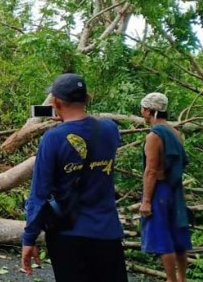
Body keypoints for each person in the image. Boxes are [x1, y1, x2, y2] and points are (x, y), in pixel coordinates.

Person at [21, 73, 127, 282]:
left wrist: (29, 238)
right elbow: (92, 131)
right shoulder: (109, 129)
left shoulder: (53, 138)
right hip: (107, 233)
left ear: (56, 102)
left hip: (67, 236)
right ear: (86, 99)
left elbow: (40, 193)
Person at [140, 92, 192, 282]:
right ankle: (182, 278)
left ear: (147, 111)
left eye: (143, 109)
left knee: (162, 236)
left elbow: (151, 171)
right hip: (175, 189)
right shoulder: (174, 132)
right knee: (178, 234)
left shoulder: (154, 136)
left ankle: (171, 279)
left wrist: (146, 201)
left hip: (160, 190)